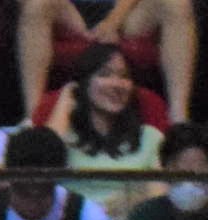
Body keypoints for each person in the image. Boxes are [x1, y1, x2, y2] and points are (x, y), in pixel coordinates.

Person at [17, 0, 189, 135]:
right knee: (37, 5)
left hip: (125, 13)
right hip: (70, 12)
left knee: (176, 4)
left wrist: (113, 21)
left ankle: (178, 120)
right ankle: (33, 117)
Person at [48, 40, 161, 189]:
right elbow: (38, 172)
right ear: (84, 83)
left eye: (124, 76)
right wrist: (65, 102)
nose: (117, 84)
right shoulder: (63, 136)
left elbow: (158, 198)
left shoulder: (151, 138)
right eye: (105, 74)